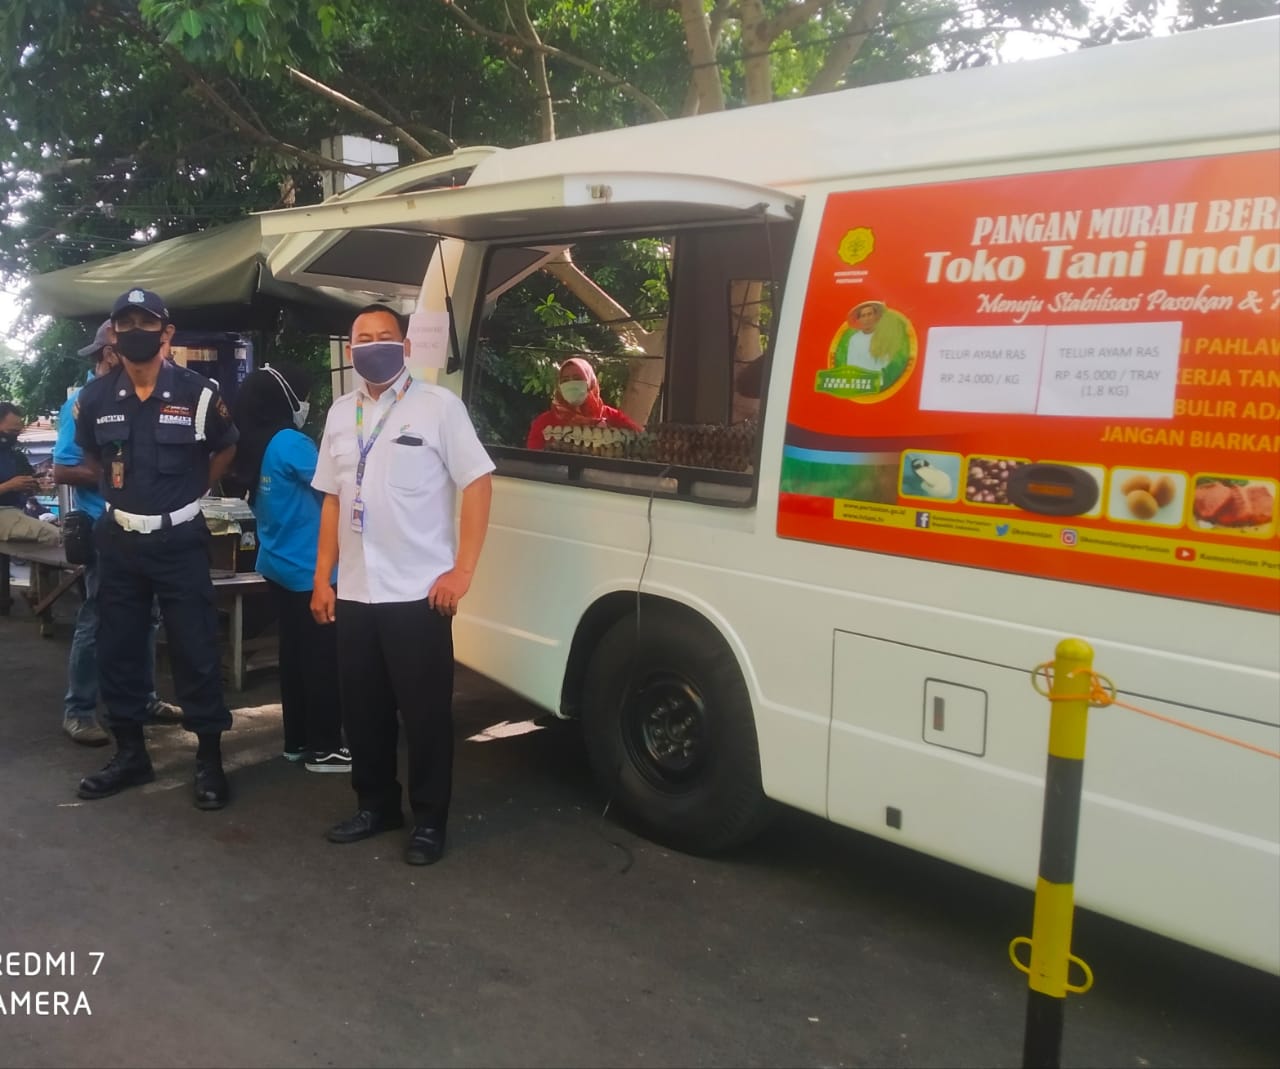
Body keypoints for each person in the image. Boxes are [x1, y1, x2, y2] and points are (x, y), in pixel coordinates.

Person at [312, 303, 494, 865]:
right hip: (358, 593)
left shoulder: (439, 408)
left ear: (406, 346)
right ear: (350, 351)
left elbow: (480, 482)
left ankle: (429, 820)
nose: (373, 344)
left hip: (419, 595)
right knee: (362, 711)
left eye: (384, 336)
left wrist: (463, 570)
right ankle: (376, 806)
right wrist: (323, 579)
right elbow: (333, 500)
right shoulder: (342, 413)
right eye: (363, 337)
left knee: (425, 714)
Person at [72, 288, 238, 810]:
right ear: (113, 334)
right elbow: (94, 458)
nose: (135, 331)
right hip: (119, 539)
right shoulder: (94, 399)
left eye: (147, 322)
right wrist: (128, 500)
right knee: (118, 647)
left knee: (195, 648)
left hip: (180, 539)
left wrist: (191, 494)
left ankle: (209, 759)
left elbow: (226, 444)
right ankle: (131, 755)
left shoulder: (199, 393)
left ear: (167, 333)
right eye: (125, 324)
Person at [54, 321, 183, 746]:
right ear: (109, 354)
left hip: (142, 527)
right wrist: (117, 477)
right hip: (101, 526)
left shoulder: (135, 397)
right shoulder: (83, 403)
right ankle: (80, 710)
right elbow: (62, 468)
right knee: (98, 617)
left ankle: (142, 698)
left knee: (146, 614)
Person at [229, 362, 347, 772]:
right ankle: (327, 747)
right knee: (322, 661)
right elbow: (337, 487)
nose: (307, 404)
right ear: (284, 399)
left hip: (277, 563)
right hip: (311, 571)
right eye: (303, 395)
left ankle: (297, 741)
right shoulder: (291, 443)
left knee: (294, 658)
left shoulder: (254, 442)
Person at [525, 356, 642, 449]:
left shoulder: (612, 417)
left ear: (590, 382)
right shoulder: (544, 423)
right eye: (565, 380)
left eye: (577, 378)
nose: (571, 384)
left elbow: (642, 441)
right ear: (559, 386)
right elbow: (533, 463)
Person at [0, 402, 61, 545]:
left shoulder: (12, 455)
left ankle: (40, 567)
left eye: (18, 432)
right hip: (4, 513)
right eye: (12, 431)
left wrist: (30, 484)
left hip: (16, 511)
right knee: (53, 535)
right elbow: (9, 485)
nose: (16, 436)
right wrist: (8, 486)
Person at [830, 300, 912, 392]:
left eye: (869, 314)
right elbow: (851, 362)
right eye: (863, 316)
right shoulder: (854, 339)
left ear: (876, 316)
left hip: (876, 382)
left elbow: (885, 360)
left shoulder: (882, 336)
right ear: (859, 319)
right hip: (857, 382)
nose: (867, 318)